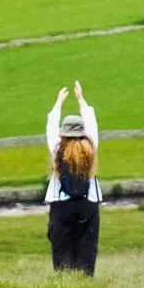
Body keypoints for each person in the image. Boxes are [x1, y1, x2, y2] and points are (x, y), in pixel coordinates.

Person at [45, 80, 101, 274]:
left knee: (62, 252)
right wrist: (81, 100)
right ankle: (86, 287)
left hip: (60, 204)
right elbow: (93, 125)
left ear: (64, 133)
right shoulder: (91, 147)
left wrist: (58, 103)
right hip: (89, 203)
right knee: (86, 249)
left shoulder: (56, 149)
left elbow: (51, 125)